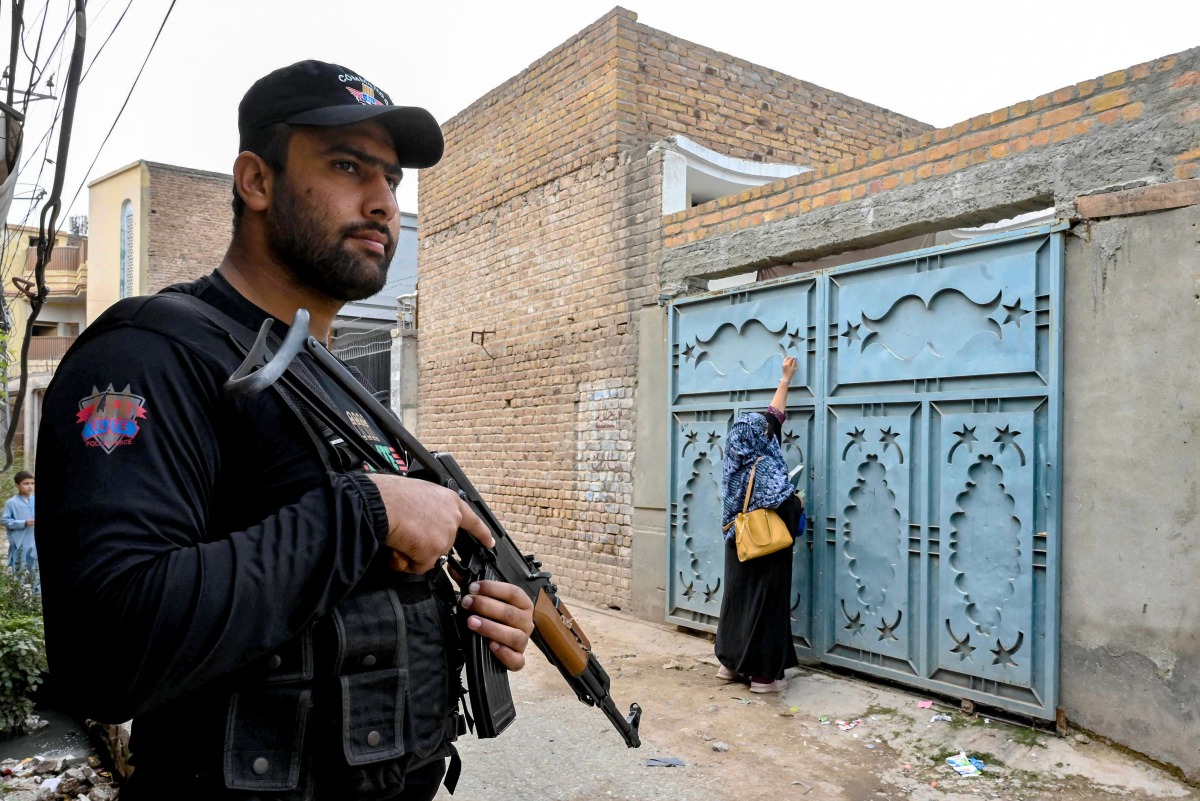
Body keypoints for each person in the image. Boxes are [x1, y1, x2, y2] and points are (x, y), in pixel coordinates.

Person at [36, 60, 534, 801]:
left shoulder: (336, 387)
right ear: (256, 181)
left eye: (393, 180)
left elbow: (343, 599)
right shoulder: (150, 354)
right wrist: (370, 509)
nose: (382, 203)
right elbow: (107, 651)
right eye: (346, 166)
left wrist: (471, 608)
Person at [714, 355, 804, 693]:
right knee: (766, 608)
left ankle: (729, 666)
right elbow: (785, 505)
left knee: (737, 602)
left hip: (739, 541)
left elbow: (773, 417)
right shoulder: (765, 465)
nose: (771, 431)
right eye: (766, 431)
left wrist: (785, 379)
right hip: (768, 547)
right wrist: (799, 502)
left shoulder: (736, 461)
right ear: (760, 438)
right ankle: (764, 677)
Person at [3, 470, 37, 594]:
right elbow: (5, 520)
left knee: (36, 569)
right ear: (17, 485)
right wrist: (23, 523)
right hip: (20, 541)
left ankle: (37, 596)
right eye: (26, 483)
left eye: (32, 483)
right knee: (19, 569)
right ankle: (19, 596)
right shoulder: (11, 503)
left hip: (34, 540)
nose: (30, 486)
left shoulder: (35, 501)